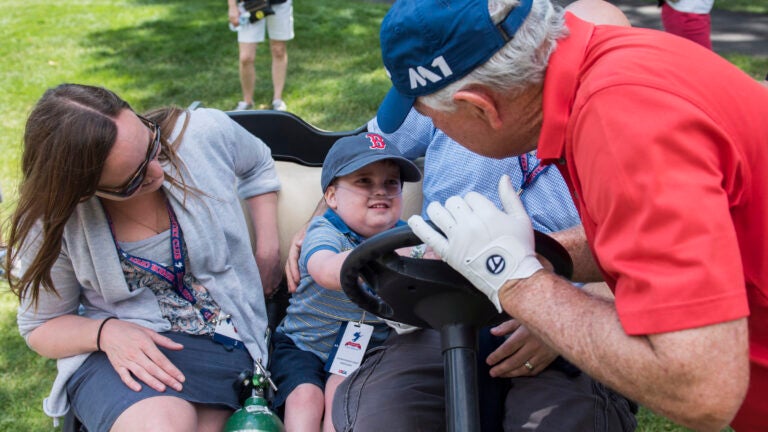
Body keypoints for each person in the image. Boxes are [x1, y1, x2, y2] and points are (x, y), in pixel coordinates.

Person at [376, 0, 768, 430]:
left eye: (427, 113)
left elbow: (700, 389)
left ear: (482, 107)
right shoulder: (604, 73)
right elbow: (645, 239)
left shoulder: (623, 125)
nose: (430, 124)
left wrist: (516, 279)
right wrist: (543, 251)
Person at [327, 109, 636, 432]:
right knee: (386, 414)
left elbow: (646, 243)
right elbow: (358, 156)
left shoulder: (610, 108)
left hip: (563, 311)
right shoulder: (443, 91)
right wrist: (323, 218)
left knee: (565, 420)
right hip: (439, 305)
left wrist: (566, 317)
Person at [4, 83, 282, 431]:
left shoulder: (201, 133)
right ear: (83, 191)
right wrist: (106, 333)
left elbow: (257, 163)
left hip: (226, 345)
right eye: (133, 180)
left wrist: (268, 247)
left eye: (152, 145)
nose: (158, 172)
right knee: (162, 424)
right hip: (120, 355)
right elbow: (41, 326)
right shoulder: (54, 220)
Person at [270, 132, 422, 431]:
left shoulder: (409, 236)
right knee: (305, 398)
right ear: (332, 197)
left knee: (342, 398)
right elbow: (326, 271)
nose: (380, 191)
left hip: (367, 351)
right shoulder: (324, 231)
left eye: (391, 182)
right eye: (364, 181)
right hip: (304, 344)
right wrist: (387, 257)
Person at [228, 0, 293, 111]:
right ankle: (247, 102)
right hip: (249, 4)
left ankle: (277, 100)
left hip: (280, 3)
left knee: (279, 50)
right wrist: (232, 6)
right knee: (246, 57)